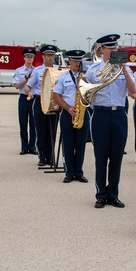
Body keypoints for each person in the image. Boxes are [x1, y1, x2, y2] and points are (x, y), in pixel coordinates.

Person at [85, 34, 136, 207]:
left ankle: (113, 194)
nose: (114, 50)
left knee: (116, 157)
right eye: (111, 48)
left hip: (119, 114)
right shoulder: (93, 70)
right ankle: (101, 194)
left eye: (116, 48)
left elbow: (132, 91)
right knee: (101, 157)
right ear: (103, 50)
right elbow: (86, 93)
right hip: (100, 114)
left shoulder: (124, 69)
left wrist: (124, 70)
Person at [51, 50, 89, 184]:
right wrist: (67, 108)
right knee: (68, 144)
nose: (77, 63)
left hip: (83, 113)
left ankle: (78, 172)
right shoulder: (63, 77)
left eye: (79, 61)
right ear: (69, 61)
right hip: (68, 113)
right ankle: (69, 172)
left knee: (80, 145)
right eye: (75, 60)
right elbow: (56, 96)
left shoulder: (86, 77)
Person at [24, 45, 58, 167]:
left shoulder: (58, 71)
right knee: (41, 130)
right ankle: (42, 157)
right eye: (48, 55)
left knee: (52, 131)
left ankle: (51, 156)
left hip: (54, 103)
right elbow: (27, 86)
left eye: (52, 55)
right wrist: (29, 93)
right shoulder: (37, 71)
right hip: (40, 101)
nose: (50, 57)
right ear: (43, 56)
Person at [12, 48, 37, 155]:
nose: (29, 59)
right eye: (28, 57)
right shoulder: (19, 71)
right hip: (23, 98)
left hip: (33, 98)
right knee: (23, 124)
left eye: (31, 57)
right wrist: (26, 80)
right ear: (24, 58)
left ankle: (32, 147)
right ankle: (24, 147)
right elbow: (16, 86)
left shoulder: (36, 71)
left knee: (33, 124)